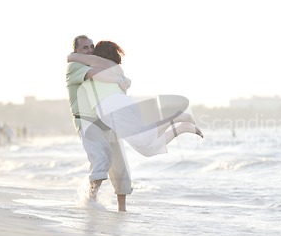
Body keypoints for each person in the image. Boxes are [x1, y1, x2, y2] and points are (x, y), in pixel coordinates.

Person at [68, 40, 203, 158]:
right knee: (148, 148)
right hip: (126, 103)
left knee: (144, 142)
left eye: (92, 48)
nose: (91, 52)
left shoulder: (96, 65)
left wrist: (72, 55)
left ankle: (175, 119)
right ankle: (182, 128)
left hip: (110, 107)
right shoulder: (116, 69)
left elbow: (73, 58)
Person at [66, 35, 132, 211]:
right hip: (87, 120)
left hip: (109, 120)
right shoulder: (75, 66)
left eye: (91, 47)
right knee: (101, 158)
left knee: (120, 166)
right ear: (76, 51)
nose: (89, 50)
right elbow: (98, 74)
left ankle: (122, 209)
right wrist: (119, 78)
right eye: (85, 48)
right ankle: (90, 201)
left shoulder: (104, 66)